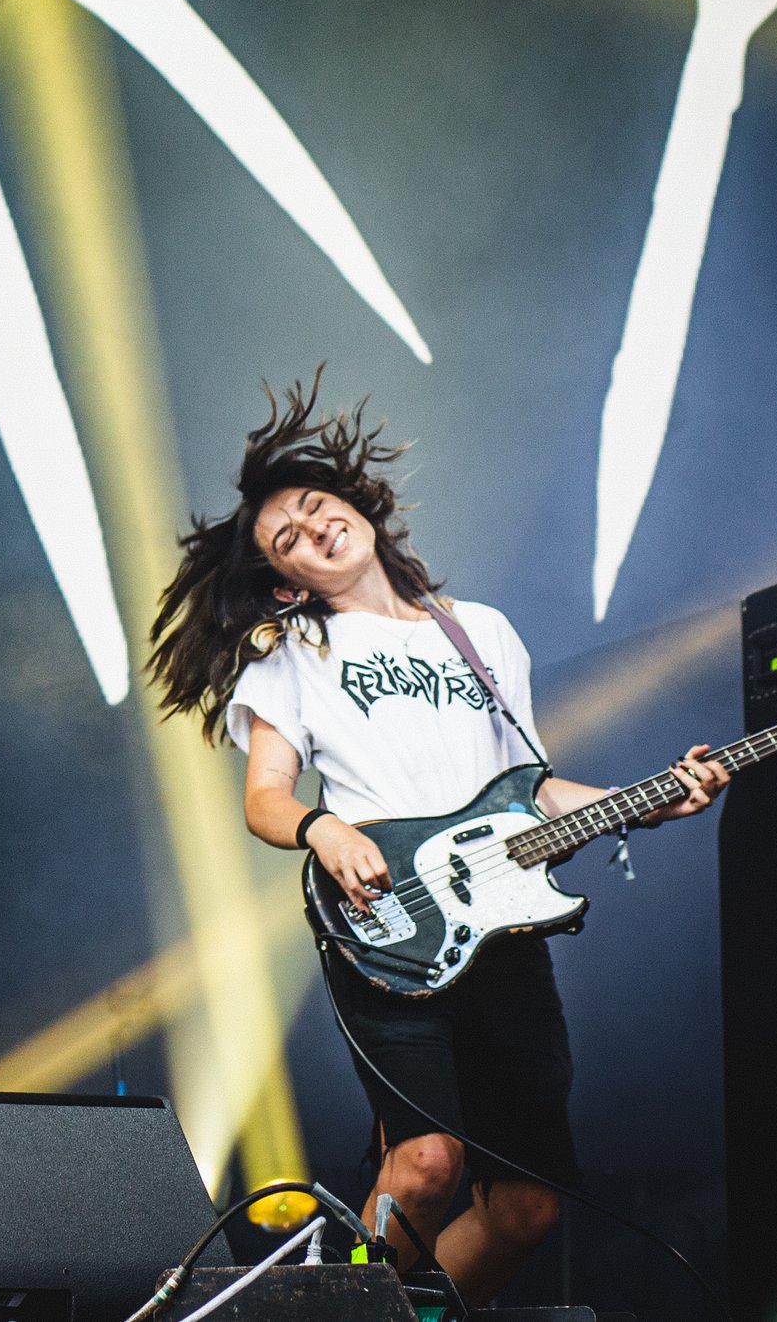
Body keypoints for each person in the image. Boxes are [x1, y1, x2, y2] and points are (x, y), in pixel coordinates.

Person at [148, 377, 728, 1308]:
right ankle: (335, 1310)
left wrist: (647, 800)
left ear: (353, 504)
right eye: (287, 538)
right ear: (288, 580)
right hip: (387, 925)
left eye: (314, 506)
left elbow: (529, 789)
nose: (312, 527)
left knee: (528, 1208)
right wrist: (322, 824)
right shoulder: (295, 652)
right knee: (421, 1166)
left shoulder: (482, 633)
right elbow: (264, 798)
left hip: (504, 930)